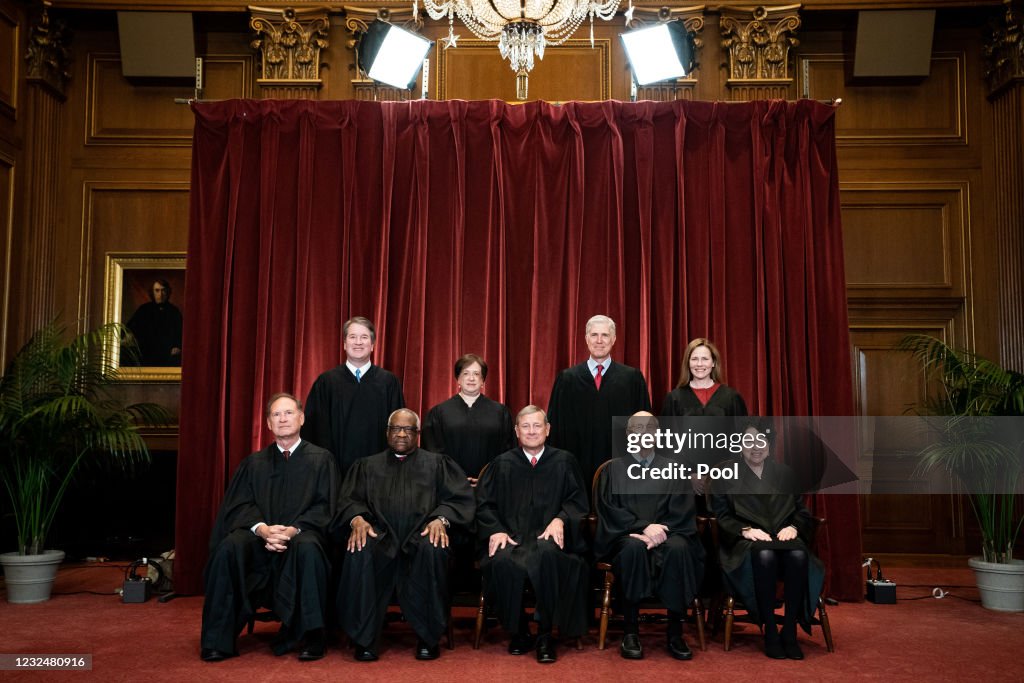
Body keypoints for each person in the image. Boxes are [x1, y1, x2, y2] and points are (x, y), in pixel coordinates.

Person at [200, 393, 339, 662]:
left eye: (288, 413)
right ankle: (217, 640)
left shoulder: (322, 460)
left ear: (301, 418)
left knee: (309, 548)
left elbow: (326, 507)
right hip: (260, 540)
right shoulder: (254, 463)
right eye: (276, 414)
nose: (283, 419)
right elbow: (239, 505)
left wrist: (291, 530)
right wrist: (263, 529)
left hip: (300, 536)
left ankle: (312, 636)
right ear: (268, 423)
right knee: (229, 547)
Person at [336, 408, 475, 662]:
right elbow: (348, 500)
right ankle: (365, 638)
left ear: (418, 434)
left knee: (434, 547)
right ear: (387, 433)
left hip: (421, 538)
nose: (402, 434)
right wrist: (357, 519)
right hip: (380, 539)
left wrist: (440, 519)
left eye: (408, 429)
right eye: (396, 429)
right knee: (359, 547)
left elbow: (459, 500)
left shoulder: (438, 464)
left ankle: (428, 637)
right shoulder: (366, 466)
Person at [475, 405, 589, 664]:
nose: (532, 431)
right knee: (502, 561)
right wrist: (496, 530)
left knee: (548, 556)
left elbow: (577, 502)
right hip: (512, 537)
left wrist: (560, 520)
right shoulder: (502, 464)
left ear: (548, 430)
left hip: (550, 538)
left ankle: (545, 635)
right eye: (525, 426)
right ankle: (520, 630)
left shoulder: (564, 461)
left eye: (537, 425)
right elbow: (484, 504)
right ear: (516, 431)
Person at [708, 419, 825, 660]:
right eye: (748, 441)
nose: (755, 446)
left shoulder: (784, 474)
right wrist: (744, 530)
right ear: (739, 445)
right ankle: (770, 630)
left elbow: (801, 512)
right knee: (765, 554)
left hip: (784, 538)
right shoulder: (725, 475)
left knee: (798, 554)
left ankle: (789, 629)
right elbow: (721, 516)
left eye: (761, 440)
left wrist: (794, 527)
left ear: (769, 446)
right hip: (745, 543)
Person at [594, 412, 704, 660]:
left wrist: (660, 531)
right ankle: (630, 631)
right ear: (628, 434)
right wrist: (643, 527)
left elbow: (682, 510)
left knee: (679, 549)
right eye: (637, 429)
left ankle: (675, 632)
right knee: (632, 549)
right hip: (627, 535)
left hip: (669, 533)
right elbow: (609, 510)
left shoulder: (674, 469)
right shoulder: (613, 470)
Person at [547, 314, 652, 490]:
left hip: (622, 468)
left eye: (605, 335)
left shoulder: (632, 378)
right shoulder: (567, 379)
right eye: (594, 335)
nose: (599, 340)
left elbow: (645, 426)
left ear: (614, 339)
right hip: (576, 466)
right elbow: (555, 428)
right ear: (586, 339)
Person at [303, 316, 405, 475]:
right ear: (344, 344)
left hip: (380, 473)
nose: (358, 342)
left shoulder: (388, 382)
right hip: (335, 473)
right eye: (352, 337)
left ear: (372, 345)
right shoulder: (326, 382)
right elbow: (313, 429)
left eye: (364, 337)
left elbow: (399, 429)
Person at [660, 338, 748, 494]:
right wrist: (688, 476)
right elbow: (668, 444)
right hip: (684, 484)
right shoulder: (674, 398)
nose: (699, 364)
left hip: (725, 481)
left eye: (705, 359)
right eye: (694, 359)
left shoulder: (731, 398)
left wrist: (720, 474)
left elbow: (739, 441)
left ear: (713, 363)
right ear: (688, 363)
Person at [423, 353, 515, 485]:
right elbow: (432, 453)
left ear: (483, 381)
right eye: (466, 373)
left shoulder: (500, 412)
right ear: (458, 379)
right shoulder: (439, 413)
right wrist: (454, 478)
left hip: (491, 486)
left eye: (477, 374)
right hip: (450, 487)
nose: (471, 378)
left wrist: (487, 477)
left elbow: (507, 452)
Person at [126, 279, 183, 366]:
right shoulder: (144, 309)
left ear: (168, 292)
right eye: (157, 290)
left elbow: (181, 332)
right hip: (146, 352)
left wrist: (178, 346)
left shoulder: (174, 311)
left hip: (167, 353)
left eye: (163, 290)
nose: (160, 294)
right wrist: (129, 336)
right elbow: (130, 328)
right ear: (152, 292)